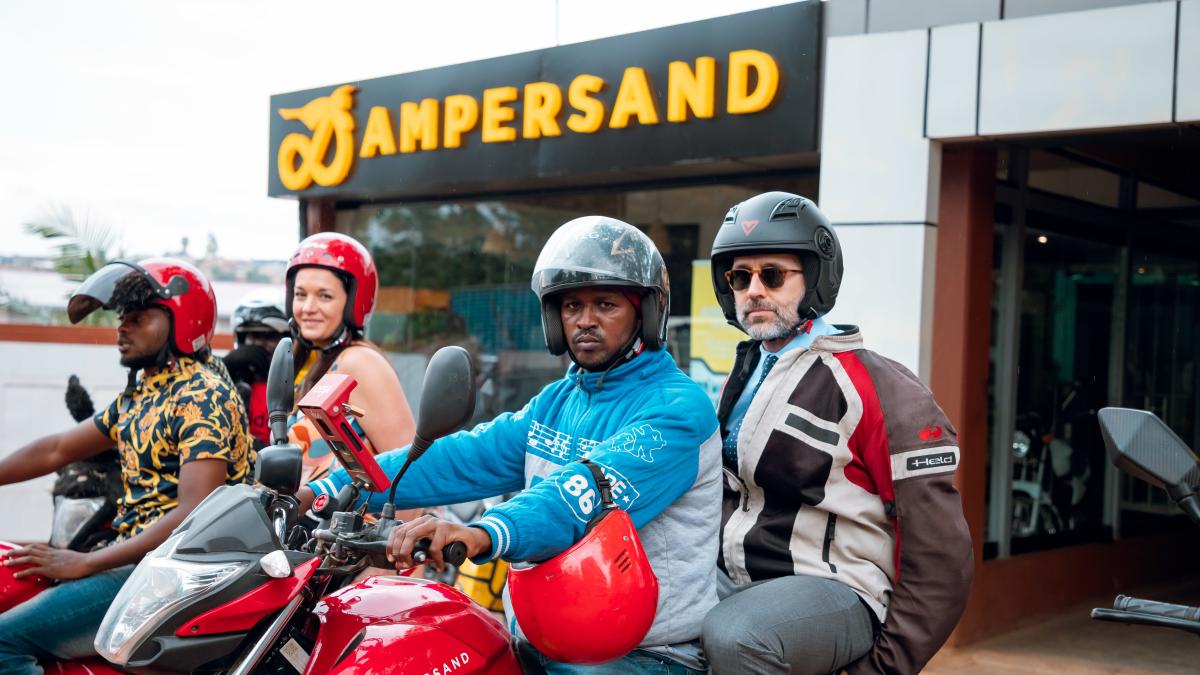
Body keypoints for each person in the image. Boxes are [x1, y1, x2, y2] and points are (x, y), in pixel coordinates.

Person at [296, 217, 722, 673]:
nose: (584, 320)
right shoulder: (563, 397)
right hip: (545, 643)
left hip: (641, 656)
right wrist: (326, 489)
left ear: (647, 313)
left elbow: (578, 494)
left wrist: (480, 532)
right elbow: (464, 456)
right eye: (571, 305)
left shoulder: (677, 409)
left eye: (605, 304)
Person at [701, 192, 973, 675]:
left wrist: (884, 667)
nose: (753, 290)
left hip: (838, 590)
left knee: (738, 636)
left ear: (816, 277)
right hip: (742, 581)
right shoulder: (744, 375)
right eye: (740, 277)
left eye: (773, 275)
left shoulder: (881, 387)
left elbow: (941, 555)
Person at [0, 258, 254, 672]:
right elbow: (57, 449)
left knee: (2, 640)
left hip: (172, 574)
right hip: (142, 563)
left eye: (136, 318)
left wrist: (86, 561)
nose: (121, 328)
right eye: (121, 318)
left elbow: (196, 511)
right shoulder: (144, 394)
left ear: (181, 321)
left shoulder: (201, 394)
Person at [284, 232, 416, 485]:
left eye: (325, 296)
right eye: (301, 295)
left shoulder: (359, 362)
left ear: (353, 302)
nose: (308, 307)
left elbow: (408, 471)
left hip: (362, 523)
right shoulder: (315, 361)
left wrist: (395, 527)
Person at [223, 289, 290, 448]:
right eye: (253, 336)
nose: (259, 344)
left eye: (269, 336)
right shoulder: (231, 382)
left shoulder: (297, 384)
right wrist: (226, 367)